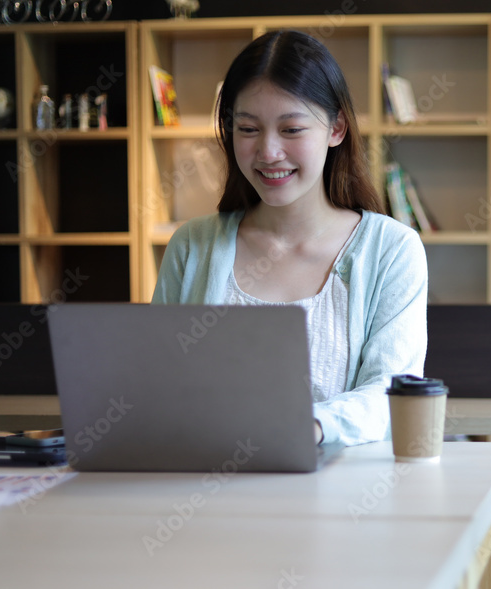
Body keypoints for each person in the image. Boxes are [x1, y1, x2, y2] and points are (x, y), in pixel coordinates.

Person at [152, 30, 428, 447]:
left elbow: (391, 393)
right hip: (205, 496)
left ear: (336, 128)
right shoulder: (191, 246)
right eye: (247, 128)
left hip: (345, 501)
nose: (268, 151)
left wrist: (306, 427)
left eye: (292, 129)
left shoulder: (392, 250)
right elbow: (157, 386)